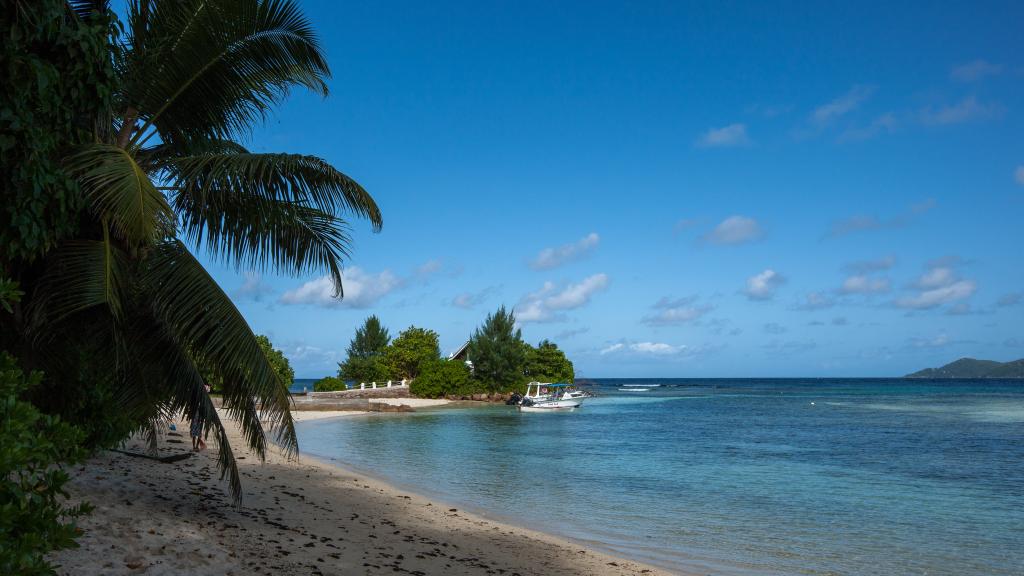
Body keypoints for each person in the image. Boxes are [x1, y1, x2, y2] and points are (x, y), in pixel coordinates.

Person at [190, 384, 211, 451]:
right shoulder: (198, 401)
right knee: (195, 432)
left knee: (198, 433)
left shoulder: (203, 402)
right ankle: (194, 446)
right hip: (196, 418)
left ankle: (196, 446)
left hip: (199, 418)